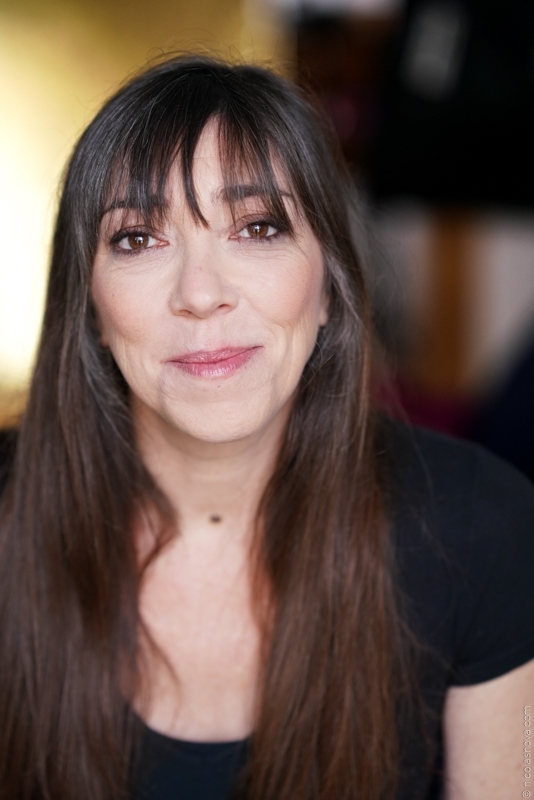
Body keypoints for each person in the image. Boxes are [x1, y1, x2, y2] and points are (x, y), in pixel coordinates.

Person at [0, 55, 533, 800]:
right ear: (89, 306)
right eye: (138, 239)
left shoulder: (483, 525)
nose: (201, 293)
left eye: (257, 227)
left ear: (329, 288)